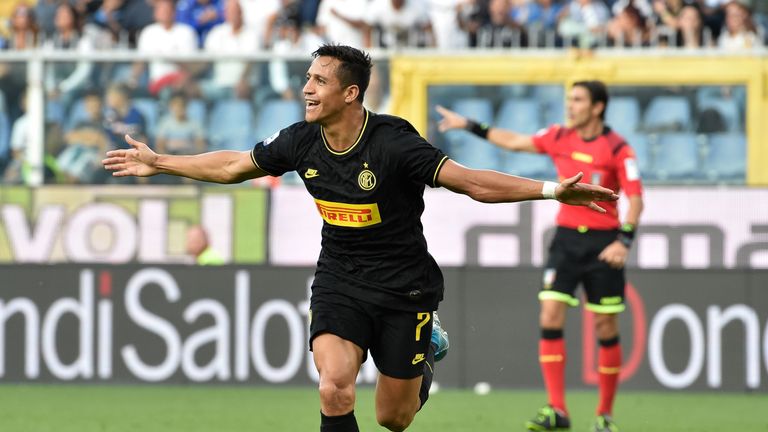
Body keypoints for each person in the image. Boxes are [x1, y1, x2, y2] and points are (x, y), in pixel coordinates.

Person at [103, 44, 618, 432]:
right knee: (333, 388)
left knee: (393, 420)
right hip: (340, 281)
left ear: (349, 93)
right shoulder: (300, 140)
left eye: (319, 80)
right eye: (307, 77)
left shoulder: (395, 142)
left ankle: (422, 360)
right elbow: (236, 164)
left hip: (404, 289)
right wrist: (161, 162)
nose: (306, 88)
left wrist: (552, 191)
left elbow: (472, 182)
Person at [436, 80, 644, 432]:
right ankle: (557, 410)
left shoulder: (619, 149)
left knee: (606, 326)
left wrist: (624, 241)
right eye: (569, 99)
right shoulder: (559, 136)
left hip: (604, 243)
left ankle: (604, 417)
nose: (570, 106)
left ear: (598, 107)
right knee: (550, 316)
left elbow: (635, 198)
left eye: (577, 100)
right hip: (565, 241)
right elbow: (516, 142)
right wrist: (470, 125)